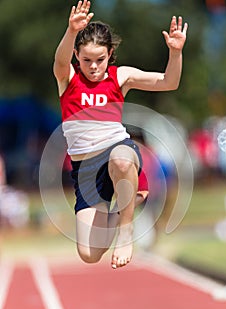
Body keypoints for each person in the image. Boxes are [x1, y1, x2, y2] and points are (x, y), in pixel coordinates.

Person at [53, 0, 188, 269]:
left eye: (100, 60)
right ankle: (121, 209)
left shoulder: (120, 77)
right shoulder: (67, 77)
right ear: (77, 56)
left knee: (122, 159)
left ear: (110, 54)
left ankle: (126, 232)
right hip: (86, 171)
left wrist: (175, 53)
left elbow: (168, 82)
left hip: (117, 149)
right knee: (89, 254)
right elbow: (59, 59)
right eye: (86, 60)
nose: (93, 66)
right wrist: (71, 31)